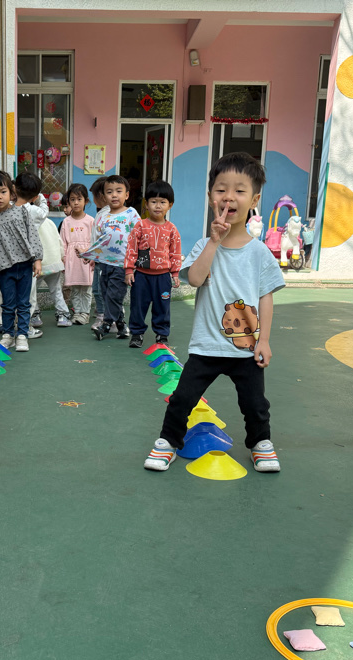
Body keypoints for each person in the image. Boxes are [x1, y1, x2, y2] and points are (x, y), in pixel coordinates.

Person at [143, 152, 284, 474]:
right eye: (221, 189)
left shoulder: (260, 253)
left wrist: (264, 341)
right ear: (210, 197)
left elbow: (266, 298)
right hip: (205, 346)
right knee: (182, 399)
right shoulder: (203, 245)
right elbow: (194, 279)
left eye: (239, 190)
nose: (229, 197)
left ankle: (260, 443)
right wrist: (214, 241)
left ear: (254, 200)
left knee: (255, 404)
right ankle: (168, 442)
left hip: (245, 349)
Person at [0, 171, 43, 352]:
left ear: (12, 192)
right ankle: (8, 334)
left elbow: (33, 236)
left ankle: (22, 335)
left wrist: (37, 259)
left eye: (3, 191)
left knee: (24, 303)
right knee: (7, 304)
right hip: (4, 269)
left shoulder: (22, 212)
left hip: (25, 265)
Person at [123, 180, 181, 349]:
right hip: (141, 276)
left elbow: (175, 252)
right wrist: (129, 270)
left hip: (163, 277)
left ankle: (162, 334)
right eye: (153, 201)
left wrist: (175, 273)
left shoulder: (172, 229)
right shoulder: (140, 226)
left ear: (170, 205)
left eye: (162, 202)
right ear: (146, 204)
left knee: (162, 306)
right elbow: (131, 248)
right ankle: (136, 333)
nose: (158, 206)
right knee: (138, 306)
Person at [83, 175, 140, 341]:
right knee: (106, 294)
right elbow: (98, 240)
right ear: (104, 196)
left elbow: (139, 237)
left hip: (122, 264)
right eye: (109, 192)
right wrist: (90, 254)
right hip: (104, 263)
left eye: (118, 191)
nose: (114, 195)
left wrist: (134, 263)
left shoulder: (131, 213)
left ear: (127, 195)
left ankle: (106, 324)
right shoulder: (103, 216)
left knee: (114, 295)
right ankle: (121, 326)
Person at [15, 172, 71, 328]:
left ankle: (34, 315)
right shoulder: (44, 218)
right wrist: (61, 256)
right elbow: (59, 241)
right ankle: (63, 315)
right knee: (56, 290)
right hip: (53, 261)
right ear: (35, 197)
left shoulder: (17, 214)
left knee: (31, 291)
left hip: (35, 264)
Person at [59, 183, 95, 325]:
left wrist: (91, 256)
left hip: (86, 259)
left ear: (86, 201)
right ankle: (77, 312)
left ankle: (85, 313)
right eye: (72, 199)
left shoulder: (91, 221)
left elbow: (94, 241)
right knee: (74, 288)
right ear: (68, 201)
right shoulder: (66, 222)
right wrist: (63, 259)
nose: (76, 203)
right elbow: (62, 242)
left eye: (79, 199)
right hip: (72, 259)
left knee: (86, 288)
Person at [88, 176, 108, 326]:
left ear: (100, 196)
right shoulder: (101, 213)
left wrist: (91, 254)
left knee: (100, 290)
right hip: (99, 258)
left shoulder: (106, 215)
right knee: (97, 289)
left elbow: (99, 239)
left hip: (104, 259)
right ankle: (104, 314)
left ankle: (103, 317)